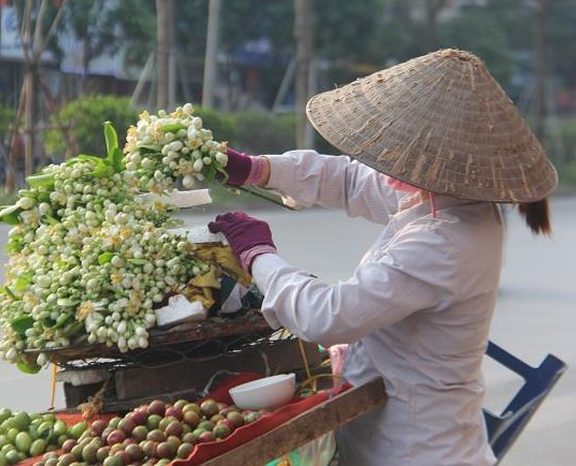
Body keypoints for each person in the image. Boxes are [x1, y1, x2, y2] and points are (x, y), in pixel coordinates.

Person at [207, 49, 557, 466]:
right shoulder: (446, 195)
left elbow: (327, 317)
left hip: (417, 448)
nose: (388, 165)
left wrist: (258, 253)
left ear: (435, 158)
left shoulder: (445, 240)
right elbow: (352, 179)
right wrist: (258, 169)